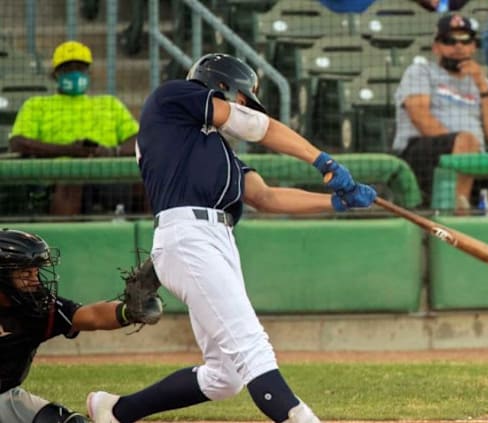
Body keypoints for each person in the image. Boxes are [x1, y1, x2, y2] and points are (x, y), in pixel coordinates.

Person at [85, 53, 376, 423]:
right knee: (253, 349)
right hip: (188, 235)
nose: (242, 107)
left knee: (227, 376)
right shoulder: (173, 98)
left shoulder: (210, 148)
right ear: (218, 84)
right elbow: (259, 126)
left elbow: (265, 196)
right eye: (239, 97)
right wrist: (323, 161)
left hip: (216, 239)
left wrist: (336, 202)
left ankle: (116, 410)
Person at [0, 228, 158, 423]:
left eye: (36, 271)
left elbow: (91, 316)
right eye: (26, 273)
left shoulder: (37, 308)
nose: (35, 280)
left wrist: (129, 311)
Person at [392, 13, 488, 210]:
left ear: (473, 46)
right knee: (467, 140)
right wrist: (462, 146)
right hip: (421, 156)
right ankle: (458, 223)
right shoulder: (421, 71)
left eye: (465, 40)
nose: (458, 47)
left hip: (474, 160)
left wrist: (482, 87)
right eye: (449, 41)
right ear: (436, 47)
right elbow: (420, 117)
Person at [8, 40, 140, 216]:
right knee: (72, 178)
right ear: (55, 74)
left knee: (146, 178)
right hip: (58, 180)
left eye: (80, 68)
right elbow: (18, 143)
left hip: (106, 174)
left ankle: (152, 238)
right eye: (68, 69)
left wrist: (111, 151)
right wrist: (71, 150)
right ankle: (62, 240)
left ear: (89, 72)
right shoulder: (36, 105)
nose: (75, 74)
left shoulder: (109, 104)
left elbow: (138, 139)